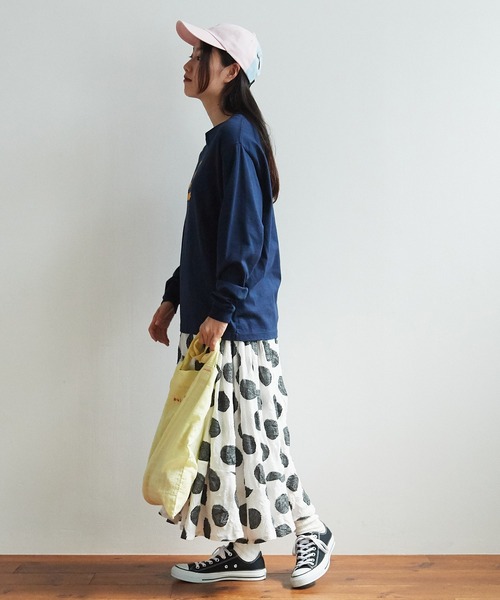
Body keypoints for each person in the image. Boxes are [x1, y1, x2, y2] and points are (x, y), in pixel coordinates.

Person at [148, 20, 334, 588]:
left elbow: (245, 239)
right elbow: (205, 238)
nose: (186, 64)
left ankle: (312, 528)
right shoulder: (223, 142)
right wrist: (173, 297)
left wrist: (220, 310)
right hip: (217, 317)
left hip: (235, 324)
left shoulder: (236, 140)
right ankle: (245, 550)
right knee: (228, 443)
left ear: (230, 70)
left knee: (258, 435)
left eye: (199, 54)